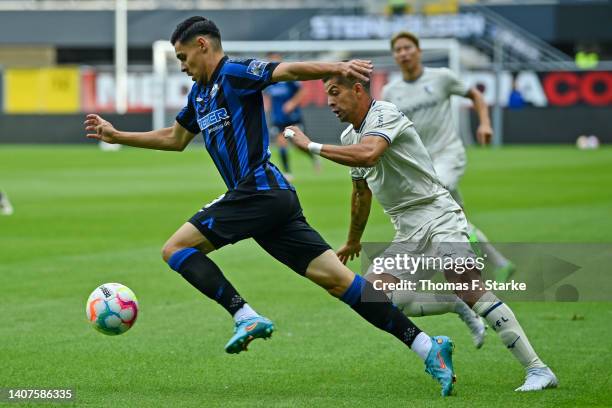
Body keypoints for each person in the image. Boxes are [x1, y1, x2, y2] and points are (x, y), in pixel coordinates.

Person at [84, 16, 456, 396]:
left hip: (259, 191)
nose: (182, 66)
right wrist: (118, 135)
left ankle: (245, 316)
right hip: (267, 205)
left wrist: (337, 67)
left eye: (183, 57)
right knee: (338, 282)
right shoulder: (199, 95)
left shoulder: (235, 72)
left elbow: (287, 70)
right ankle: (429, 347)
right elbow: (176, 137)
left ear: (202, 45)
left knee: (176, 249)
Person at [285, 73, 558, 392]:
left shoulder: (385, 113)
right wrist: (354, 239)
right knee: (374, 298)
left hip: (438, 214)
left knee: (469, 285)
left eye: (335, 92)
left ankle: (538, 370)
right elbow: (361, 193)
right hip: (408, 231)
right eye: (327, 94)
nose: (330, 101)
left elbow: (370, 153)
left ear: (357, 90)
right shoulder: (349, 136)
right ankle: (455, 304)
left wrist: (310, 145)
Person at [383, 32, 516, 283]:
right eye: (398, 49)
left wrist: (485, 124)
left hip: (448, 154)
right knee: (455, 217)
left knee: (434, 205)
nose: (403, 53)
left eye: (407, 47)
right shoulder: (391, 92)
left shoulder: (442, 77)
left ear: (418, 50)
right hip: (421, 165)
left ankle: (448, 265)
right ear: (394, 56)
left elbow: (475, 95)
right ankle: (500, 263)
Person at [263, 52, 319, 181]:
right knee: (281, 143)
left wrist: (292, 103)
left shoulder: (287, 77)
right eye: (271, 60)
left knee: (299, 145)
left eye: (275, 59)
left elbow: (302, 91)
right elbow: (266, 94)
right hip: (278, 118)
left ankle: (313, 157)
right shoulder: (269, 80)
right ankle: (287, 172)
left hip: (292, 117)